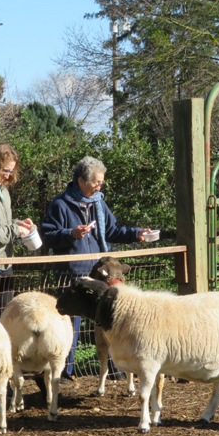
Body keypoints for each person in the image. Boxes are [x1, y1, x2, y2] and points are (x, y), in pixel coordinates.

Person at [40, 156, 151, 380]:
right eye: (96, 182)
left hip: (100, 274)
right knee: (70, 325)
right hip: (72, 274)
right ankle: (63, 373)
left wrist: (136, 234)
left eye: (101, 182)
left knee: (108, 322)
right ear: (80, 180)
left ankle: (113, 366)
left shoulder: (99, 203)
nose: (100, 186)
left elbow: (113, 230)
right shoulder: (60, 205)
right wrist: (71, 234)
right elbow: (47, 236)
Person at [0, 143, 36, 319]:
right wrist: (14, 229)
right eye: (5, 170)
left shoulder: (4, 191)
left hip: (6, 263)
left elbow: (3, 224)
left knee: (6, 318)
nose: (8, 175)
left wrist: (20, 224)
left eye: (12, 171)